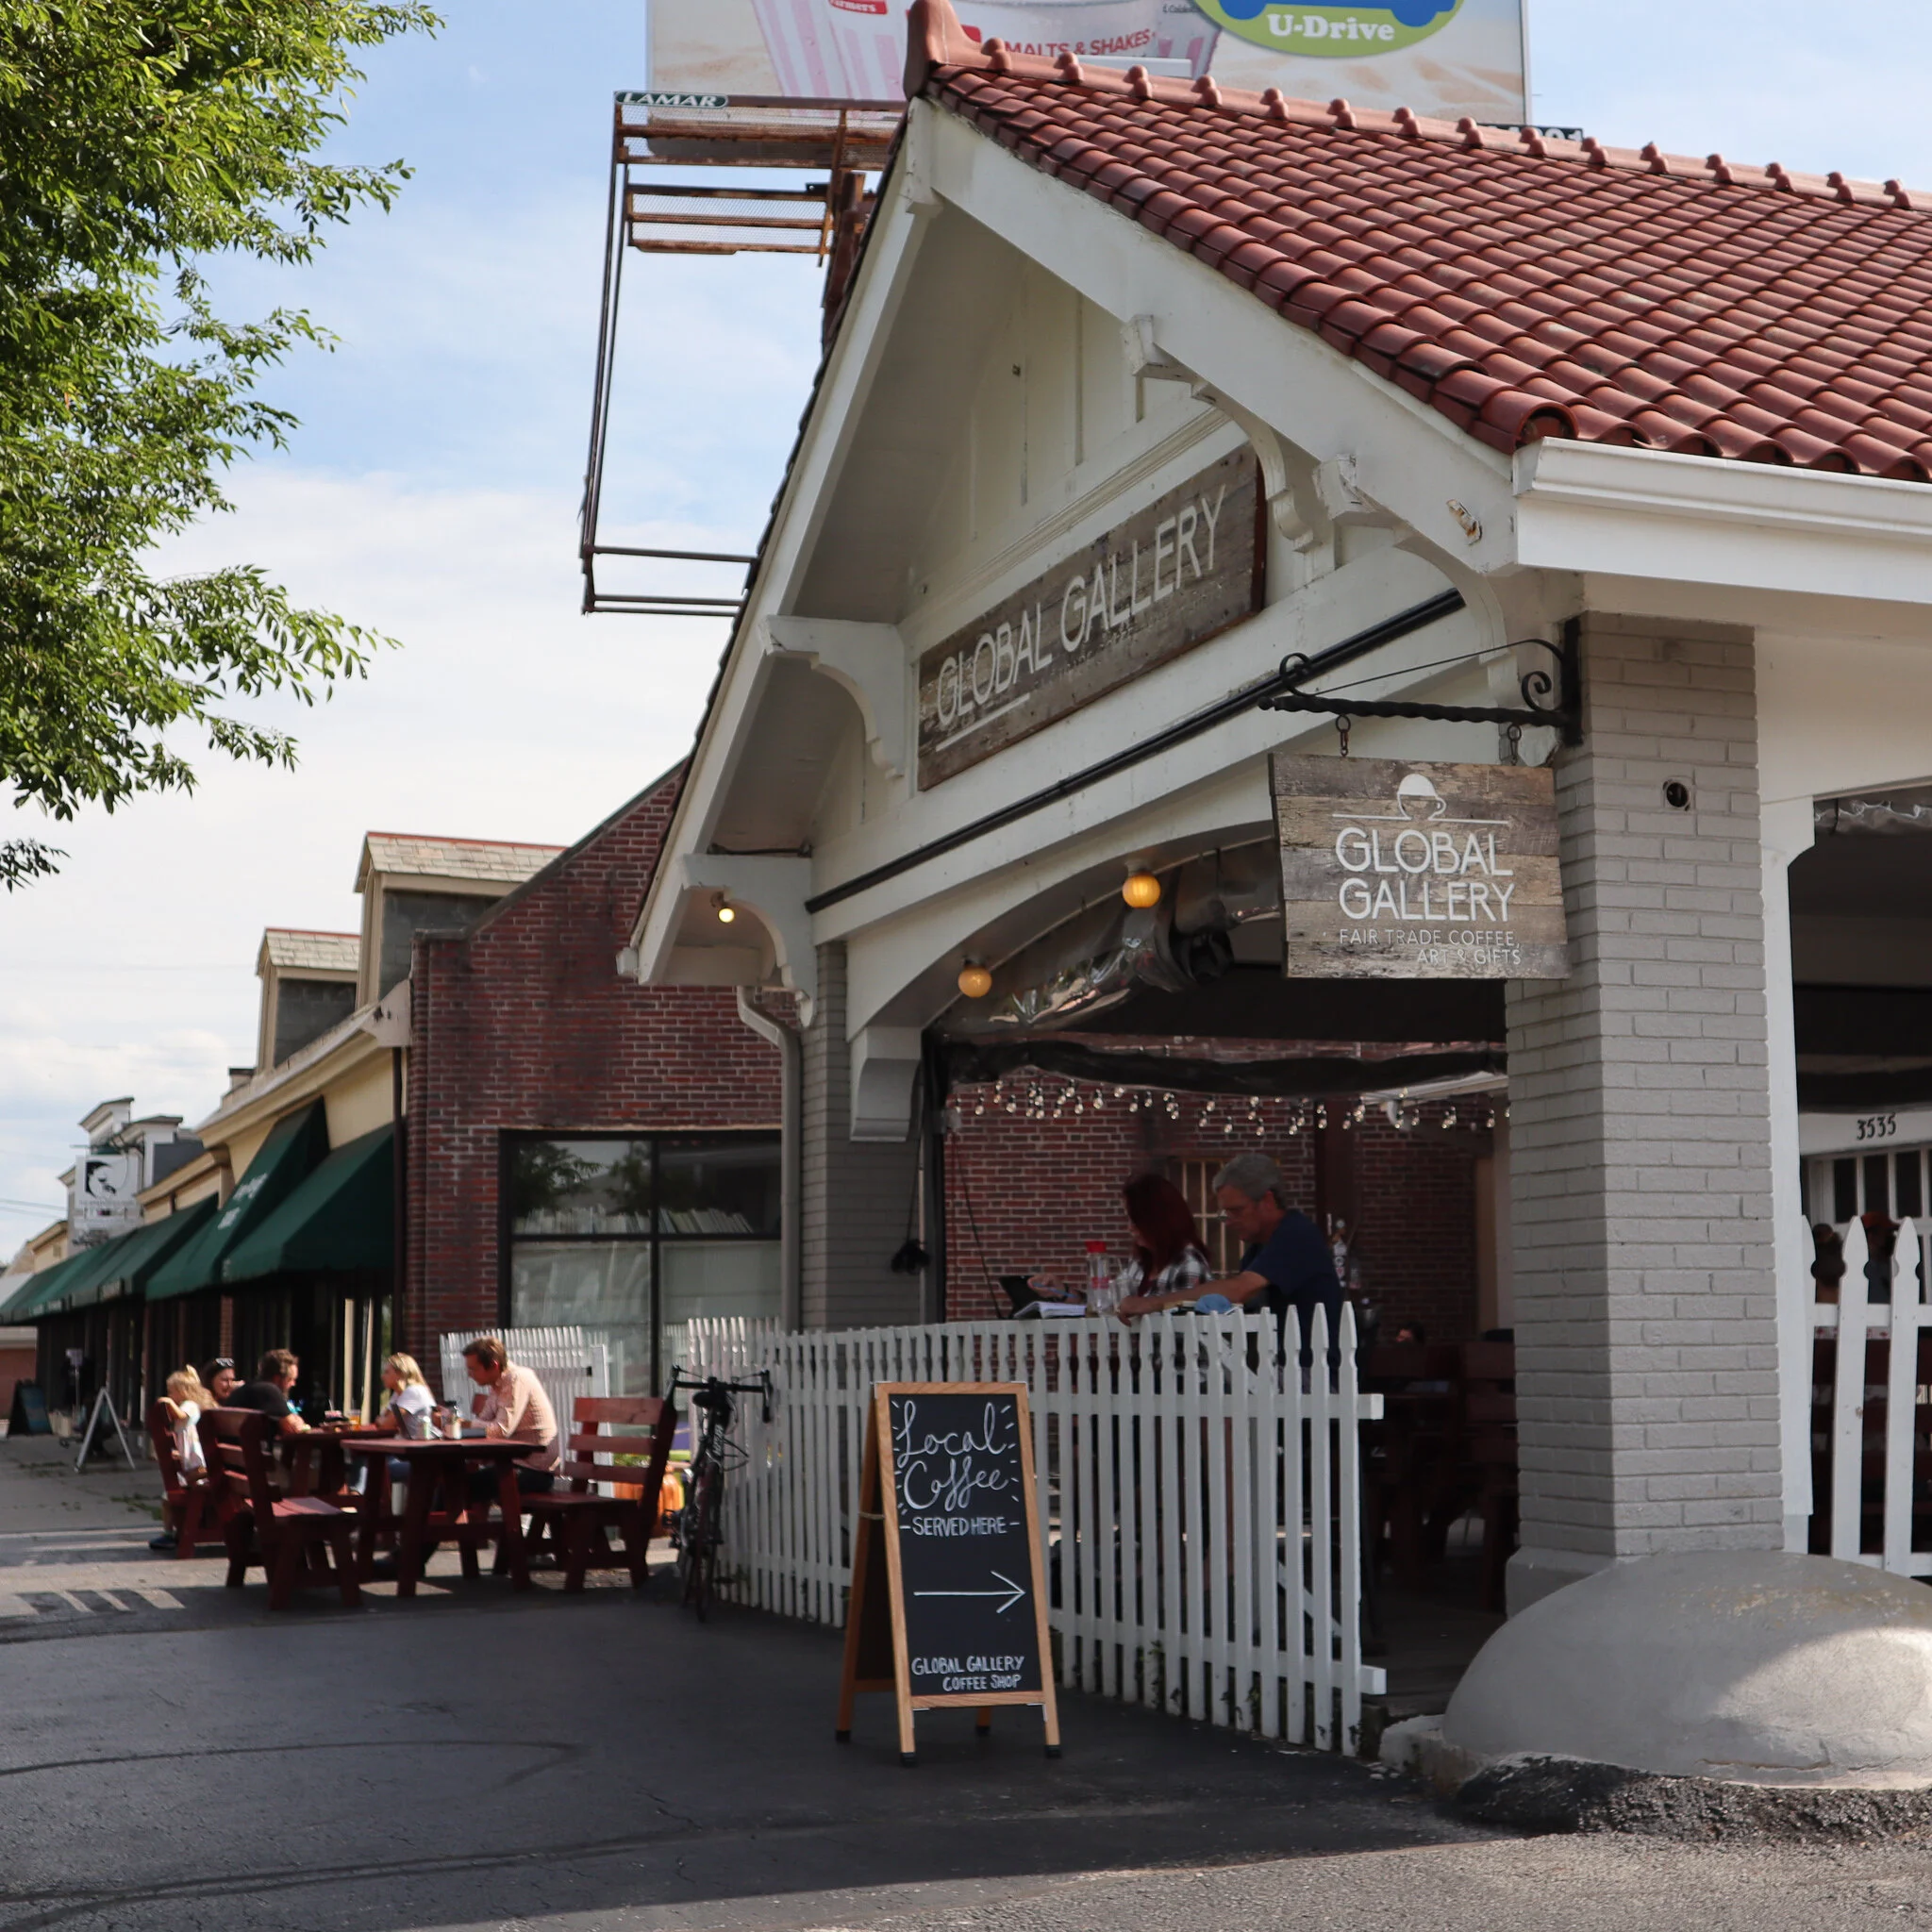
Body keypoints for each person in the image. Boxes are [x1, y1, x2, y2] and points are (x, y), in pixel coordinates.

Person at [1118, 1152, 1342, 1363]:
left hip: (1312, 1372)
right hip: (1281, 1368)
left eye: (1237, 1211)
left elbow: (1240, 1289)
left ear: (1267, 1201)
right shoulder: (1259, 1248)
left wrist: (1152, 1302)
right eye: (1225, 1213)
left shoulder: (1295, 1234)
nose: (1229, 1221)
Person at [460, 1337, 558, 1501]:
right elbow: (483, 1423)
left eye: (473, 1369)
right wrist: (453, 1425)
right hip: (511, 1465)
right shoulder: (497, 1384)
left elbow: (501, 1430)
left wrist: (463, 1425)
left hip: (533, 1471)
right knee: (450, 1484)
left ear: (494, 1365)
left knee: (454, 1489)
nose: (469, 1375)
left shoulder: (517, 1379)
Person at [1112, 1174, 1212, 1305]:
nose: (1130, 1227)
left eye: (1136, 1221)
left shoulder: (1188, 1264)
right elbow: (1112, 1301)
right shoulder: (1141, 1262)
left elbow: (1180, 1314)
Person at [148, 1367, 214, 1553]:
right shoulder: (187, 1405)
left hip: (196, 1463)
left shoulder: (190, 1405)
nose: (169, 1395)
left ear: (184, 1391)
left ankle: (172, 1532)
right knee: (169, 1497)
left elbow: (180, 1415)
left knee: (172, 1496)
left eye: (172, 1391)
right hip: (191, 1462)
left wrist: (167, 1402)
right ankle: (171, 1532)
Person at [226, 1349, 310, 1437]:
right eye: (290, 1379)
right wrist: (298, 1421)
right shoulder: (269, 1390)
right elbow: (294, 1428)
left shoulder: (248, 1388)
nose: (293, 1384)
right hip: (245, 1445)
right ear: (277, 1379)